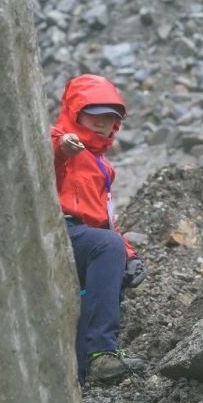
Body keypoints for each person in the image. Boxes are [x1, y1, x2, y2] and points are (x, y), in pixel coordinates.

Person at [50, 74, 146, 384]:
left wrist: (129, 254)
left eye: (111, 119)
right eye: (96, 116)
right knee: (107, 247)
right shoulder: (61, 140)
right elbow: (49, 154)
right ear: (76, 111)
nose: (104, 124)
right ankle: (102, 352)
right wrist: (64, 146)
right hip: (59, 230)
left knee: (107, 266)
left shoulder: (103, 166)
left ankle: (82, 374)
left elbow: (106, 216)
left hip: (84, 237)